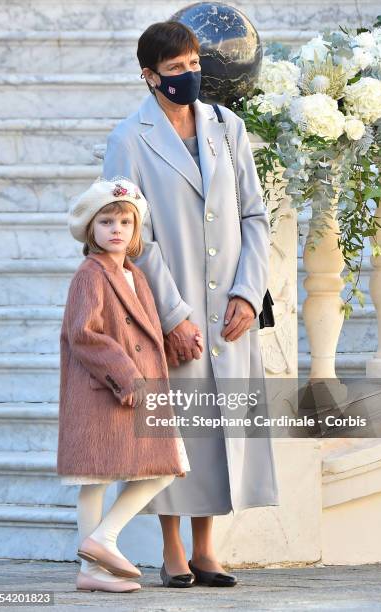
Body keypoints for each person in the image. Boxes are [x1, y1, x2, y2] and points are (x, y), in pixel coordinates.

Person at [103, 20, 279, 588]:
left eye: (194, 62)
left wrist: (248, 293)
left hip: (229, 306)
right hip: (164, 306)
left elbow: (254, 215)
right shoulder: (129, 139)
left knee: (215, 427)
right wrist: (173, 314)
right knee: (173, 429)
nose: (190, 75)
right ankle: (172, 548)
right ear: (149, 76)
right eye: (176, 68)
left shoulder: (229, 128)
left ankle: (207, 550)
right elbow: (130, 234)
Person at [57, 176, 202, 593]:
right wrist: (125, 373)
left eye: (124, 221)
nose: (116, 229)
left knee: (165, 467)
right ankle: (93, 569)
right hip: (102, 390)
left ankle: (102, 540)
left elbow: (143, 333)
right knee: (94, 476)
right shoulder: (90, 274)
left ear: (136, 230)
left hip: (137, 391)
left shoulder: (136, 276)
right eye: (106, 222)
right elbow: (83, 334)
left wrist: (171, 350)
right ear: (91, 230)